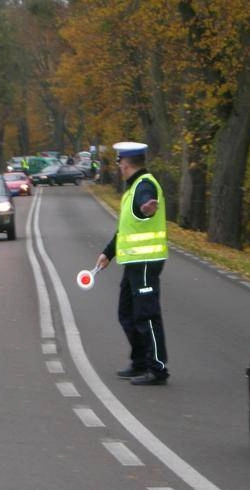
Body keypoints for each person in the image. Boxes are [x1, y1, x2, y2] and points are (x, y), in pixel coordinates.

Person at [96, 141, 169, 386]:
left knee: (146, 315)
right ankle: (139, 362)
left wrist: (147, 207)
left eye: (119, 163)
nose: (118, 167)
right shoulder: (134, 187)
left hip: (146, 263)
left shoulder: (144, 186)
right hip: (134, 263)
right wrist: (108, 253)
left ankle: (157, 368)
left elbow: (145, 205)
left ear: (125, 164)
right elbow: (127, 229)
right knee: (126, 313)